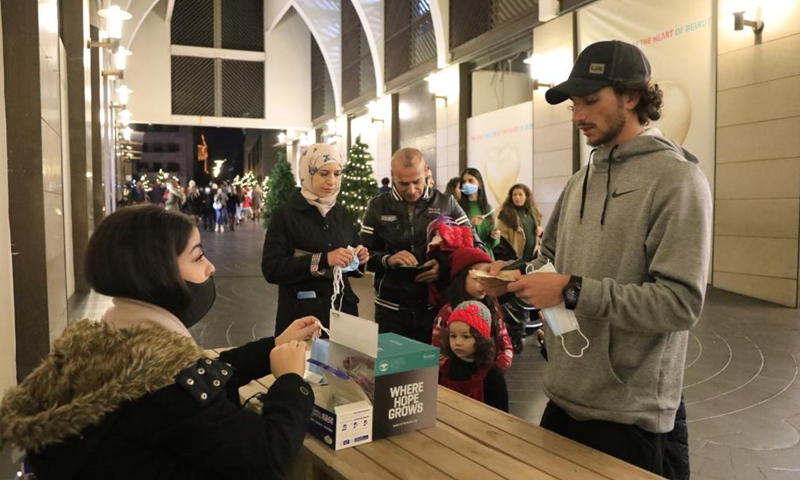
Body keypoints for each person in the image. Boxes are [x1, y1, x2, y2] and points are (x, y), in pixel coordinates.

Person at [482, 40, 711, 479]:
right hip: (564, 398)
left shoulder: (678, 180)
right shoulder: (580, 180)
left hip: (632, 416)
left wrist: (572, 291)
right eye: (573, 104)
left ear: (632, 96)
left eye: (590, 101)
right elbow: (551, 262)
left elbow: (680, 303)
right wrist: (510, 275)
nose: (578, 115)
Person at [0, 205, 317, 479]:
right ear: (158, 274)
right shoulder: (166, 387)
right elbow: (267, 456)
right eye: (198, 257)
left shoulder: (109, 342)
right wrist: (291, 381)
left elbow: (205, 375)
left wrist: (273, 346)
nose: (211, 268)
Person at [359, 147, 471, 343]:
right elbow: (361, 257)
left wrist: (443, 267)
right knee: (393, 371)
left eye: (417, 182)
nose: (411, 190)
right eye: (404, 183)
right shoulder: (377, 207)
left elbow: (473, 249)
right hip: (390, 308)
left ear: (426, 171)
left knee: (431, 371)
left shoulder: (447, 203)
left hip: (433, 307)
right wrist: (388, 260)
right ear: (392, 175)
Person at [262, 143, 369, 336]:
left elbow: (351, 261)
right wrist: (324, 259)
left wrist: (358, 258)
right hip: (303, 318)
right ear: (307, 173)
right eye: (323, 173)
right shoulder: (286, 215)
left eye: (337, 174)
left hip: (343, 314)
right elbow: (272, 269)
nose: (332, 181)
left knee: (345, 366)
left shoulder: (342, 214)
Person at [431, 247, 513, 373]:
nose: (482, 285)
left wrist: (496, 370)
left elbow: (505, 344)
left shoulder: (493, 310)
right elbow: (437, 353)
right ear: (461, 279)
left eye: (486, 279)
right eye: (476, 279)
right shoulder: (448, 312)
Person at [438, 301, 508, 412]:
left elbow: (502, 414)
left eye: (466, 337)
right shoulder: (444, 368)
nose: (458, 342)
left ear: (481, 339)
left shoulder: (493, 374)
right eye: (453, 336)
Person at [458, 168, 501, 259]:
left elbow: (493, 242)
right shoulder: (457, 207)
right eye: (464, 182)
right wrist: (469, 224)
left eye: (470, 181)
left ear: (479, 184)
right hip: (467, 256)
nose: (466, 184)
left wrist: (495, 236)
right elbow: (454, 233)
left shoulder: (488, 208)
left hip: (486, 255)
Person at [495, 183, 543, 262]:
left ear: (526, 196)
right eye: (514, 195)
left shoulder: (534, 212)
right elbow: (502, 240)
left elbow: (540, 233)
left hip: (533, 258)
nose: (517, 197)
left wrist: (540, 232)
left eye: (520, 195)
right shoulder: (506, 215)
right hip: (514, 258)